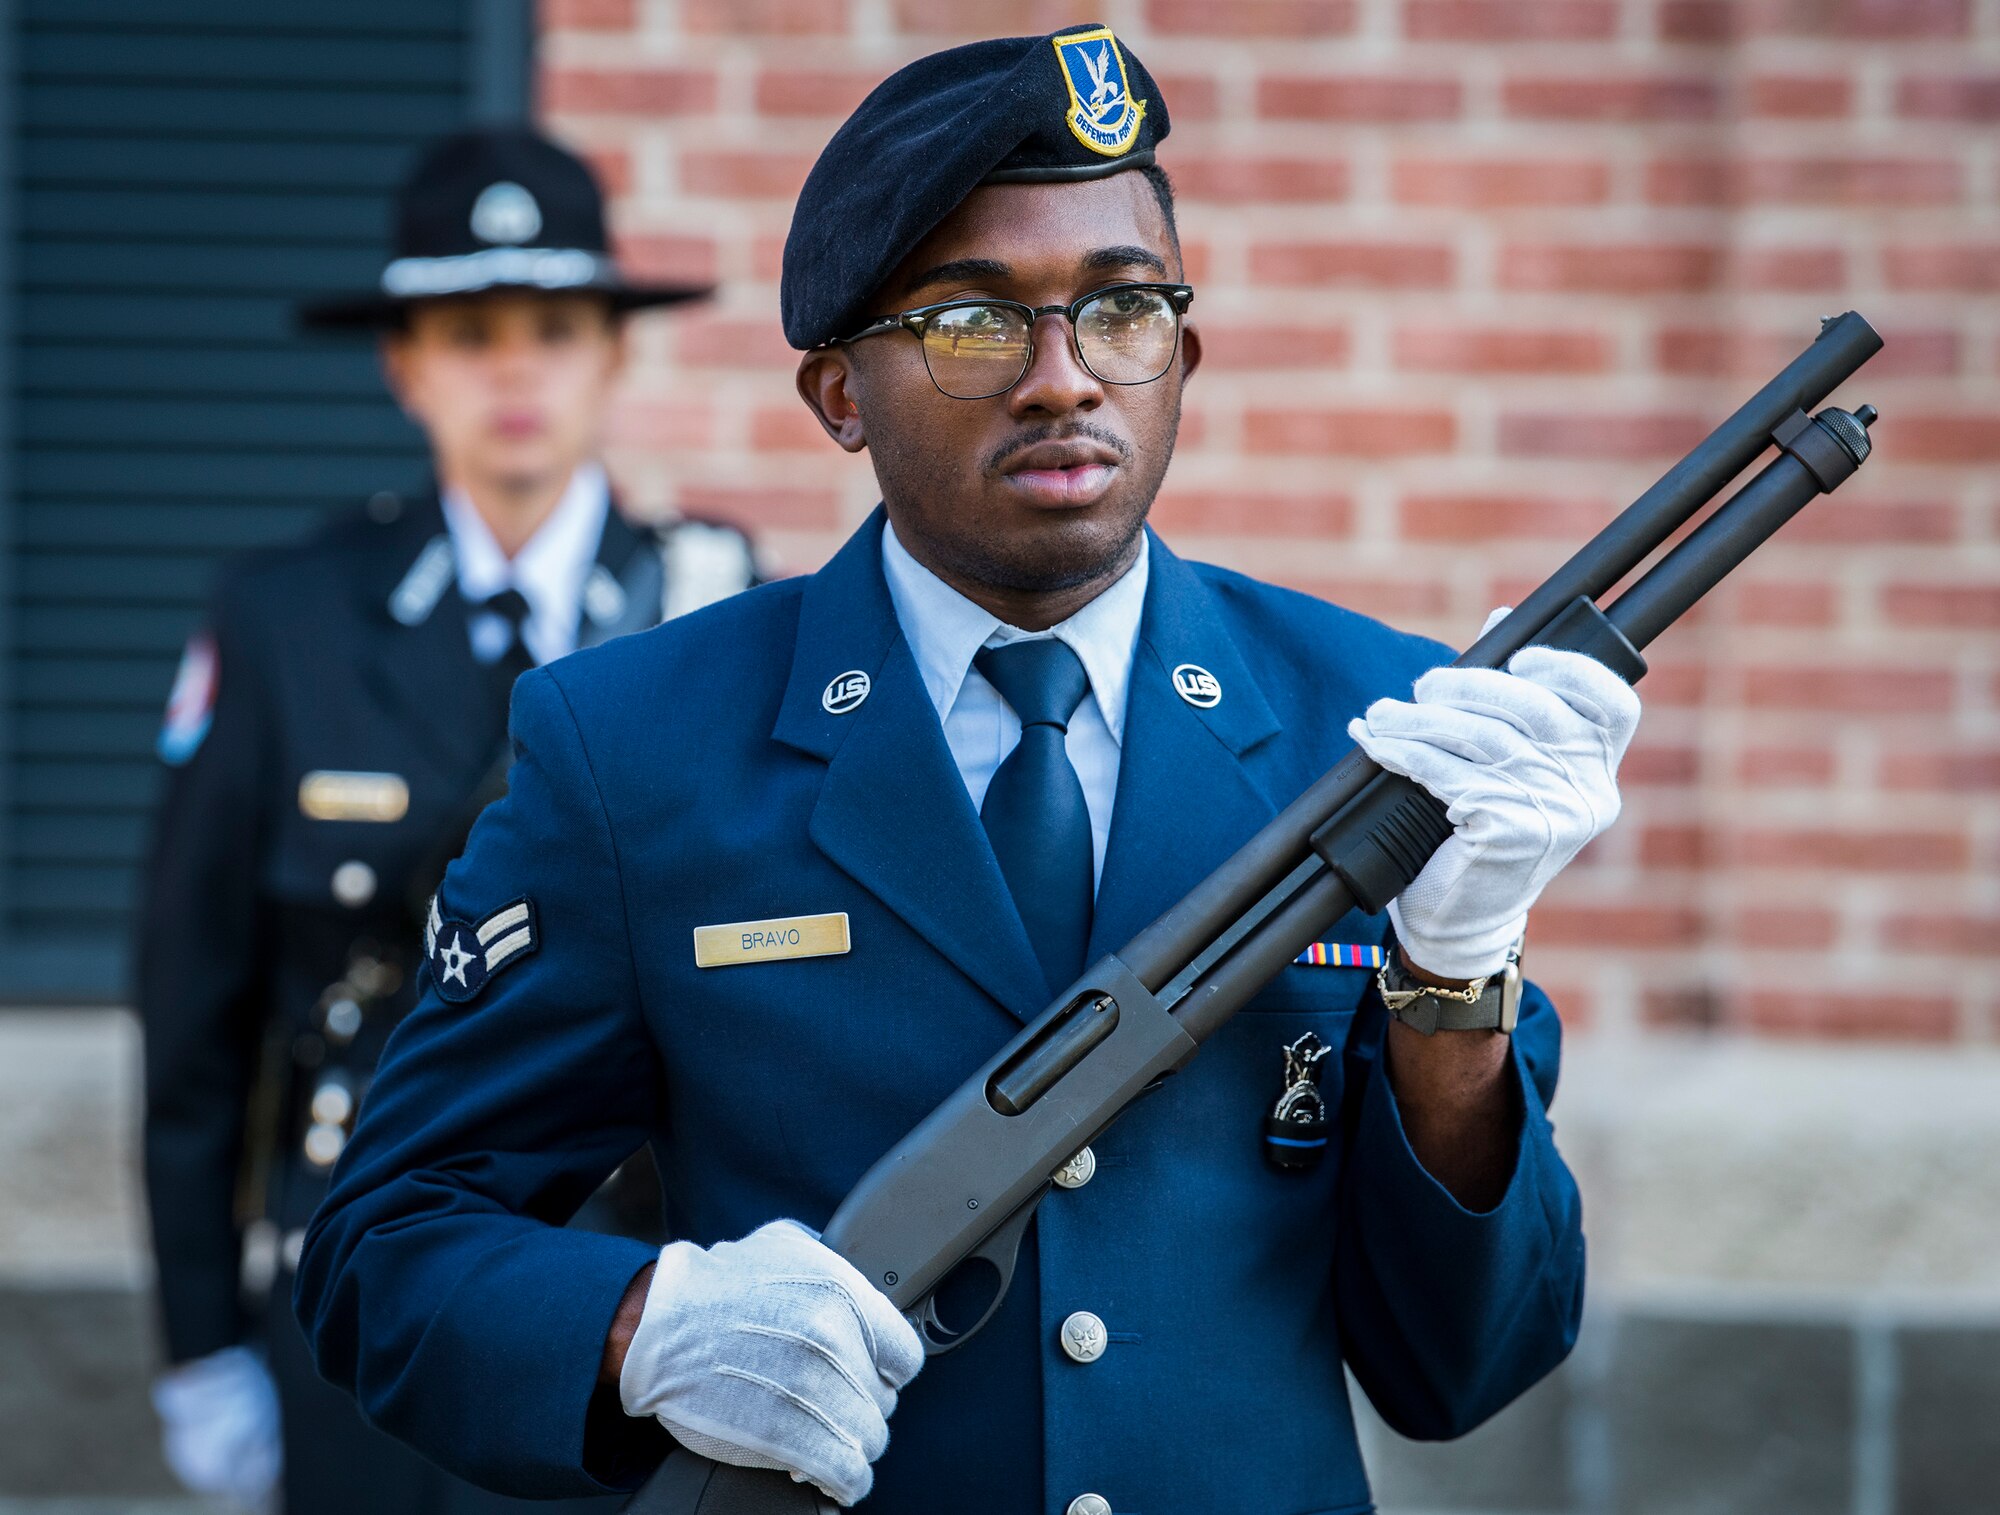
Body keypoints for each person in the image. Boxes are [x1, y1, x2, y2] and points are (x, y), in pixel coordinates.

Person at [296, 32, 1634, 1515]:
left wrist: (1457, 983)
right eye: (973, 322)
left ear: (1184, 352)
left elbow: (1472, 1360)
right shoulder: (636, 749)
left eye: (1122, 309)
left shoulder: (1369, 722)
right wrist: (644, 1327)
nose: (1064, 381)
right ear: (839, 394)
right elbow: (390, 1246)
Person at [140, 126, 760, 1515]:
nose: (516, 369)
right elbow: (194, 1013)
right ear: (405, 365)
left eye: (554, 325)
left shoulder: (716, 613)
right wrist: (197, 1348)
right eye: (469, 332)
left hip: (635, 1298)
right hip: (352, 1288)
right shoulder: (283, 620)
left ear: (613, 354)